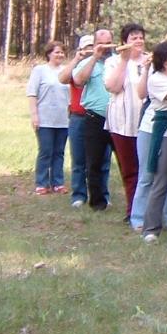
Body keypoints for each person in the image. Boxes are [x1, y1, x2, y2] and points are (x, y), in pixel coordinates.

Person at [131, 30, 167, 231]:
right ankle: (139, 219)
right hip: (152, 130)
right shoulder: (156, 78)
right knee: (148, 174)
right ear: (165, 61)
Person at [59, 34, 111, 208]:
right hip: (79, 117)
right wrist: (77, 58)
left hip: (102, 117)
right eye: (91, 46)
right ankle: (79, 194)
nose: (98, 49)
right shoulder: (82, 64)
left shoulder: (108, 64)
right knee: (79, 159)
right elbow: (65, 78)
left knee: (102, 160)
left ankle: (102, 194)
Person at [103, 22, 147, 223]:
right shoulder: (113, 62)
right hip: (122, 123)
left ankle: (149, 211)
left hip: (147, 123)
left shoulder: (150, 61)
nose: (138, 41)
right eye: (133, 38)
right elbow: (113, 86)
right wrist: (123, 60)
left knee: (149, 170)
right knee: (130, 169)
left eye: (140, 37)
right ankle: (132, 212)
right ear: (124, 42)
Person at [140, 40, 167, 243]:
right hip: (166, 132)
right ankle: (151, 228)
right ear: (166, 61)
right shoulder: (157, 79)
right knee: (161, 179)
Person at [72, 28, 117, 211]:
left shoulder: (118, 62)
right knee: (94, 162)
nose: (105, 47)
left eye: (108, 43)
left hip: (117, 118)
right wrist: (94, 58)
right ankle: (97, 202)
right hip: (94, 117)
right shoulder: (88, 62)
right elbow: (78, 81)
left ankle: (132, 202)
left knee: (124, 161)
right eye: (101, 43)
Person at [26, 40, 70, 194]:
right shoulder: (40, 70)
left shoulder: (66, 70)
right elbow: (32, 93)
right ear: (49, 54)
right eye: (57, 52)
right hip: (45, 118)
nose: (60, 55)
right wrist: (34, 115)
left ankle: (57, 183)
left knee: (59, 152)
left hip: (63, 119)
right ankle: (41, 183)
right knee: (46, 151)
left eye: (62, 52)